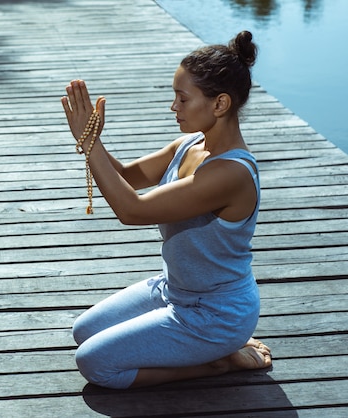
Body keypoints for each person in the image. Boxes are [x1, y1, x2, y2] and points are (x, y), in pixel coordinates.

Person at [61, 31, 272, 389]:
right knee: (83, 331)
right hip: (173, 290)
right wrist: (90, 137)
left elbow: (132, 210)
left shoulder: (231, 173)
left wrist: (90, 143)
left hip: (215, 314)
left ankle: (220, 362)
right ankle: (205, 348)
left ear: (219, 104)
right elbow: (126, 176)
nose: (174, 107)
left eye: (182, 98)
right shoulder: (189, 144)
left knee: (95, 363)